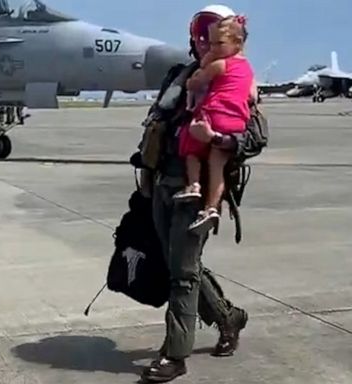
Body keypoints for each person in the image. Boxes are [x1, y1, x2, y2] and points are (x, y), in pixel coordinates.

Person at [139, 5, 255, 383]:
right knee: (180, 266)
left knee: (183, 274)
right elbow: (158, 121)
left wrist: (217, 139)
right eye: (199, 30)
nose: (204, 38)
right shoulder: (180, 76)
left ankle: (175, 355)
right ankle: (227, 316)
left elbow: (254, 136)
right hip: (162, 185)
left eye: (212, 31)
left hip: (199, 191)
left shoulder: (238, 77)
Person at [174, 15, 254, 235]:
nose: (210, 47)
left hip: (213, 117)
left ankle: (194, 186)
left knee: (190, 146)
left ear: (237, 42)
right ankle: (210, 208)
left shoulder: (217, 65)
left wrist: (212, 137)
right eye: (206, 41)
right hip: (234, 122)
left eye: (217, 43)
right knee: (215, 164)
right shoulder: (246, 70)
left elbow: (254, 140)